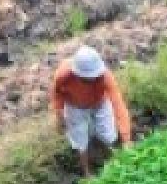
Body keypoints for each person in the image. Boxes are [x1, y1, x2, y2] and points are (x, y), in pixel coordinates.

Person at [50, 46, 132, 176]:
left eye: (94, 77)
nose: (91, 80)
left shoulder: (105, 76)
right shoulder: (64, 73)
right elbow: (57, 94)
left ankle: (113, 162)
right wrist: (59, 116)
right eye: (86, 79)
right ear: (77, 73)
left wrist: (126, 139)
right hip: (75, 106)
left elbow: (118, 104)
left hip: (100, 102)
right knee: (80, 140)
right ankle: (87, 174)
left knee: (108, 136)